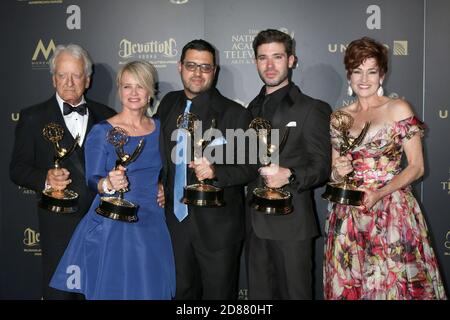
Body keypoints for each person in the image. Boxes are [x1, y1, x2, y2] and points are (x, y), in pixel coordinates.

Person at [323, 37, 447, 300]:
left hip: (392, 211)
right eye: (357, 71)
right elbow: (334, 171)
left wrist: (380, 193)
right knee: (350, 285)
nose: (364, 79)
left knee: (393, 287)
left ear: (382, 74)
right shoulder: (340, 117)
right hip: (349, 215)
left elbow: (416, 167)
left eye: (371, 71)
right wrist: (339, 172)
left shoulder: (398, 109)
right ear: (349, 75)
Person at [48, 60, 175, 299]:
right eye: (127, 87)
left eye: (140, 86)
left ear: (150, 91)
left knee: (151, 289)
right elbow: (92, 179)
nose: (133, 93)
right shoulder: (102, 131)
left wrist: (163, 186)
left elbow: (170, 168)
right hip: (115, 221)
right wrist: (108, 184)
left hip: (153, 221)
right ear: (119, 90)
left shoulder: (160, 129)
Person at [9, 44, 116, 300]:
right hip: (58, 227)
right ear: (53, 78)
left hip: (101, 225)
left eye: (76, 75)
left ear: (87, 80)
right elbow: (17, 169)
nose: (69, 82)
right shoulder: (33, 117)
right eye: (62, 75)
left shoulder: (109, 117)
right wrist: (45, 178)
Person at [157, 39, 256, 299]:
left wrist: (216, 172)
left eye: (205, 67)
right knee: (180, 294)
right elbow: (158, 153)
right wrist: (157, 181)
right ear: (180, 67)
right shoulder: (167, 104)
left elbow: (250, 167)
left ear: (215, 71)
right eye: (191, 65)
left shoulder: (235, 113)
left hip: (218, 229)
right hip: (174, 225)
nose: (197, 73)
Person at [245, 29, 332, 300]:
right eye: (263, 58)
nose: (270, 66)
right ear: (255, 62)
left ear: (291, 60)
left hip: (292, 224)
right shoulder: (249, 109)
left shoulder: (312, 108)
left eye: (277, 57)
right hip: (253, 225)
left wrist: (290, 174)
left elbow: (322, 166)